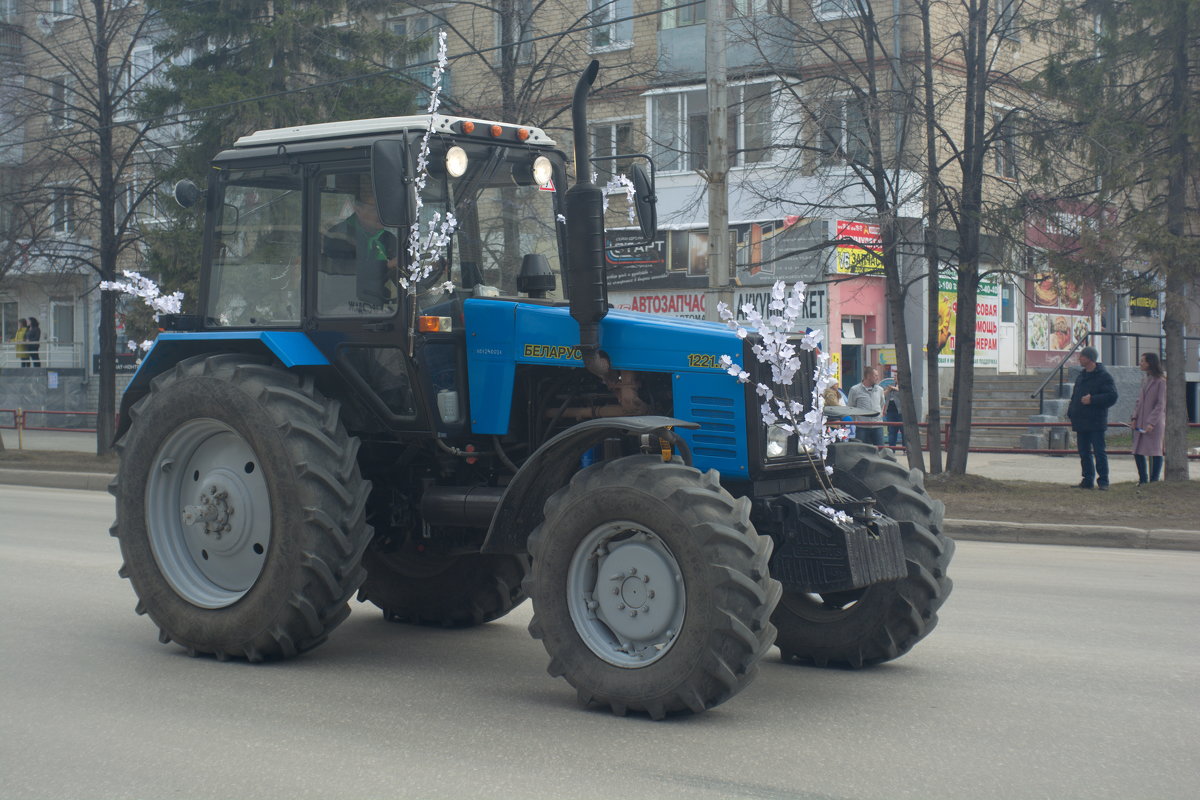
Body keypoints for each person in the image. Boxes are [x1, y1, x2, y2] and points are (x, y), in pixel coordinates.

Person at [322, 179, 399, 307]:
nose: (382, 216)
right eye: (376, 210)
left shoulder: (389, 239)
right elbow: (341, 269)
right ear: (358, 209)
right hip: (343, 306)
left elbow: (399, 276)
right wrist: (386, 265)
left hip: (379, 306)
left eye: (385, 210)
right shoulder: (338, 235)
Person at [1066, 345, 1118, 490]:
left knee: (1099, 451)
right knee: (1084, 452)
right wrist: (1071, 411)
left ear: (1089, 358)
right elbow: (1075, 396)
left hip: (1096, 420)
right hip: (1081, 420)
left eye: (1082, 356)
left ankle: (1103, 481)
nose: (1079, 358)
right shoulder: (1081, 376)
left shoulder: (1104, 376)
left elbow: (1112, 396)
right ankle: (1087, 480)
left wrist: (1093, 399)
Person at [1129, 352, 1166, 484]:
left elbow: (1161, 404)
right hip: (1140, 420)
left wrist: (1151, 422)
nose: (1141, 363)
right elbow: (1139, 401)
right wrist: (1134, 418)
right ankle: (1143, 479)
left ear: (1150, 363)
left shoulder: (1161, 381)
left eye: (1143, 361)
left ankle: (1154, 480)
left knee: (1155, 451)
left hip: (1154, 423)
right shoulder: (1145, 380)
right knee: (1137, 450)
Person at [848, 366, 886, 446]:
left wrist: (880, 415)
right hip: (862, 427)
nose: (877, 378)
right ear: (868, 376)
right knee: (862, 450)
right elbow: (851, 407)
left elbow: (882, 403)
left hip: (877, 425)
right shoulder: (855, 389)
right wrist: (856, 422)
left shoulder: (880, 389)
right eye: (875, 375)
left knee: (880, 450)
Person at [880, 370, 903, 446]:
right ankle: (892, 448)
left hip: (901, 412)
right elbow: (883, 395)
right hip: (890, 411)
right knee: (892, 431)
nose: (894, 377)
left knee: (903, 430)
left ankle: (905, 448)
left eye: (896, 375)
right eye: (894, 376)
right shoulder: (891, 385)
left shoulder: (904, 386)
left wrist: (895, 388)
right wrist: (888, 390)